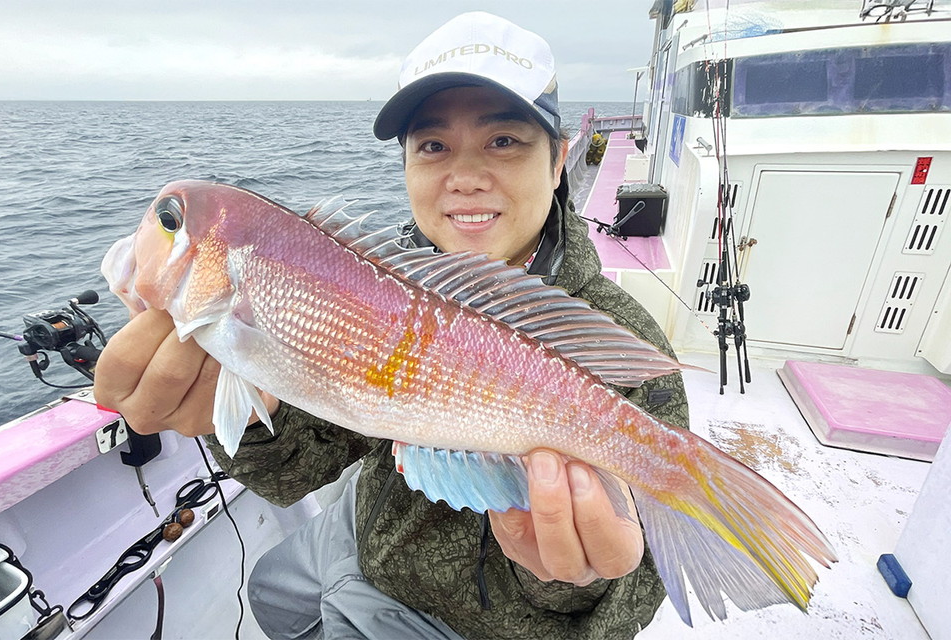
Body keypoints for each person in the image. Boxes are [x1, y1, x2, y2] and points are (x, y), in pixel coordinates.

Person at [94, 11, 689, 640]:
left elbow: (629, 595)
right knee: (268, 590)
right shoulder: (375, 282)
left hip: (465, 622)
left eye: (504, 140)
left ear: (560, 158)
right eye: (432, 146)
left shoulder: (619, 341)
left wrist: (564, 585)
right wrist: (241, 417)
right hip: (365, 527)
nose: (464, 177)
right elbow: (296, 473)